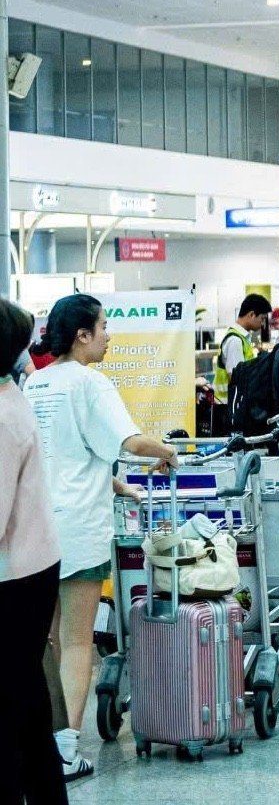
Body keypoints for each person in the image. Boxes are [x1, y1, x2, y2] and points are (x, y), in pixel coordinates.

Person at [26, 294, 178, 784]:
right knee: (76, 641)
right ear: (81, 336)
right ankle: (67, 751)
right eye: (104, 327)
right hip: (78, 526)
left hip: (35, 526)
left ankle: (37, 747)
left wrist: (117, 484)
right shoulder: (90, 383)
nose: (110, 336)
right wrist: (167, 451)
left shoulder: (35, 384)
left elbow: (62, 455)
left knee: (43, 644)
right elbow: (130, 442)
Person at [1, 298, 67, 803]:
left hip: (15, 576)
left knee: (12, 702)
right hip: (30, 566)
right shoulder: (9, 394)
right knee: (24, 697)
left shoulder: (2, 418)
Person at [213, 294, 271, 402]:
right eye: (262, 318)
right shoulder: (235, 340)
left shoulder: (242, 338)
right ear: (252, 314)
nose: (262, 323)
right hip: (228, 406)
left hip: (231, 404)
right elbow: (236, 378)